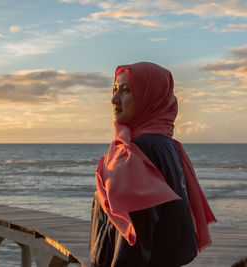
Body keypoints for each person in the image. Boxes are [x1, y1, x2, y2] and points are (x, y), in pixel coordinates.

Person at [89, 62, 216, 267]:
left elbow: (133, 243)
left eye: (126, 91)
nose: (114, 100)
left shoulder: (135, 152)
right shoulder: (167, 146)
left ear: (150, 98)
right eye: (114, 90)